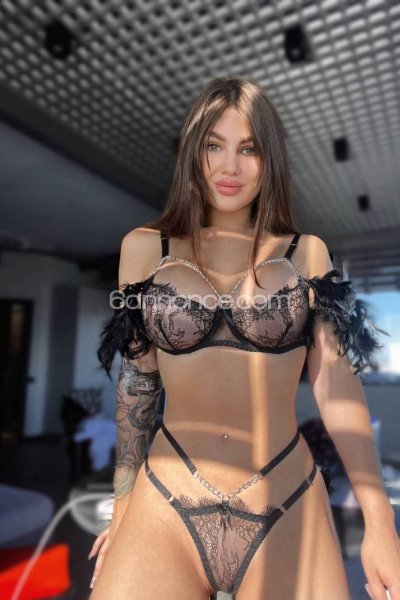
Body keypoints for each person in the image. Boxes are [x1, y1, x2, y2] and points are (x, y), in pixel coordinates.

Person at [88, 78, 399, 599]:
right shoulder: (144, 249)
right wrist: (121, 509)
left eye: (248, 149)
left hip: (286, 497)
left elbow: (337, 387)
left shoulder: (306, 254)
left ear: (269, 159)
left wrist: (380, 520)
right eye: (214, 145)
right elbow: (137, 384)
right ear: (193, 152)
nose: (229, 166)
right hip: (166, 498)